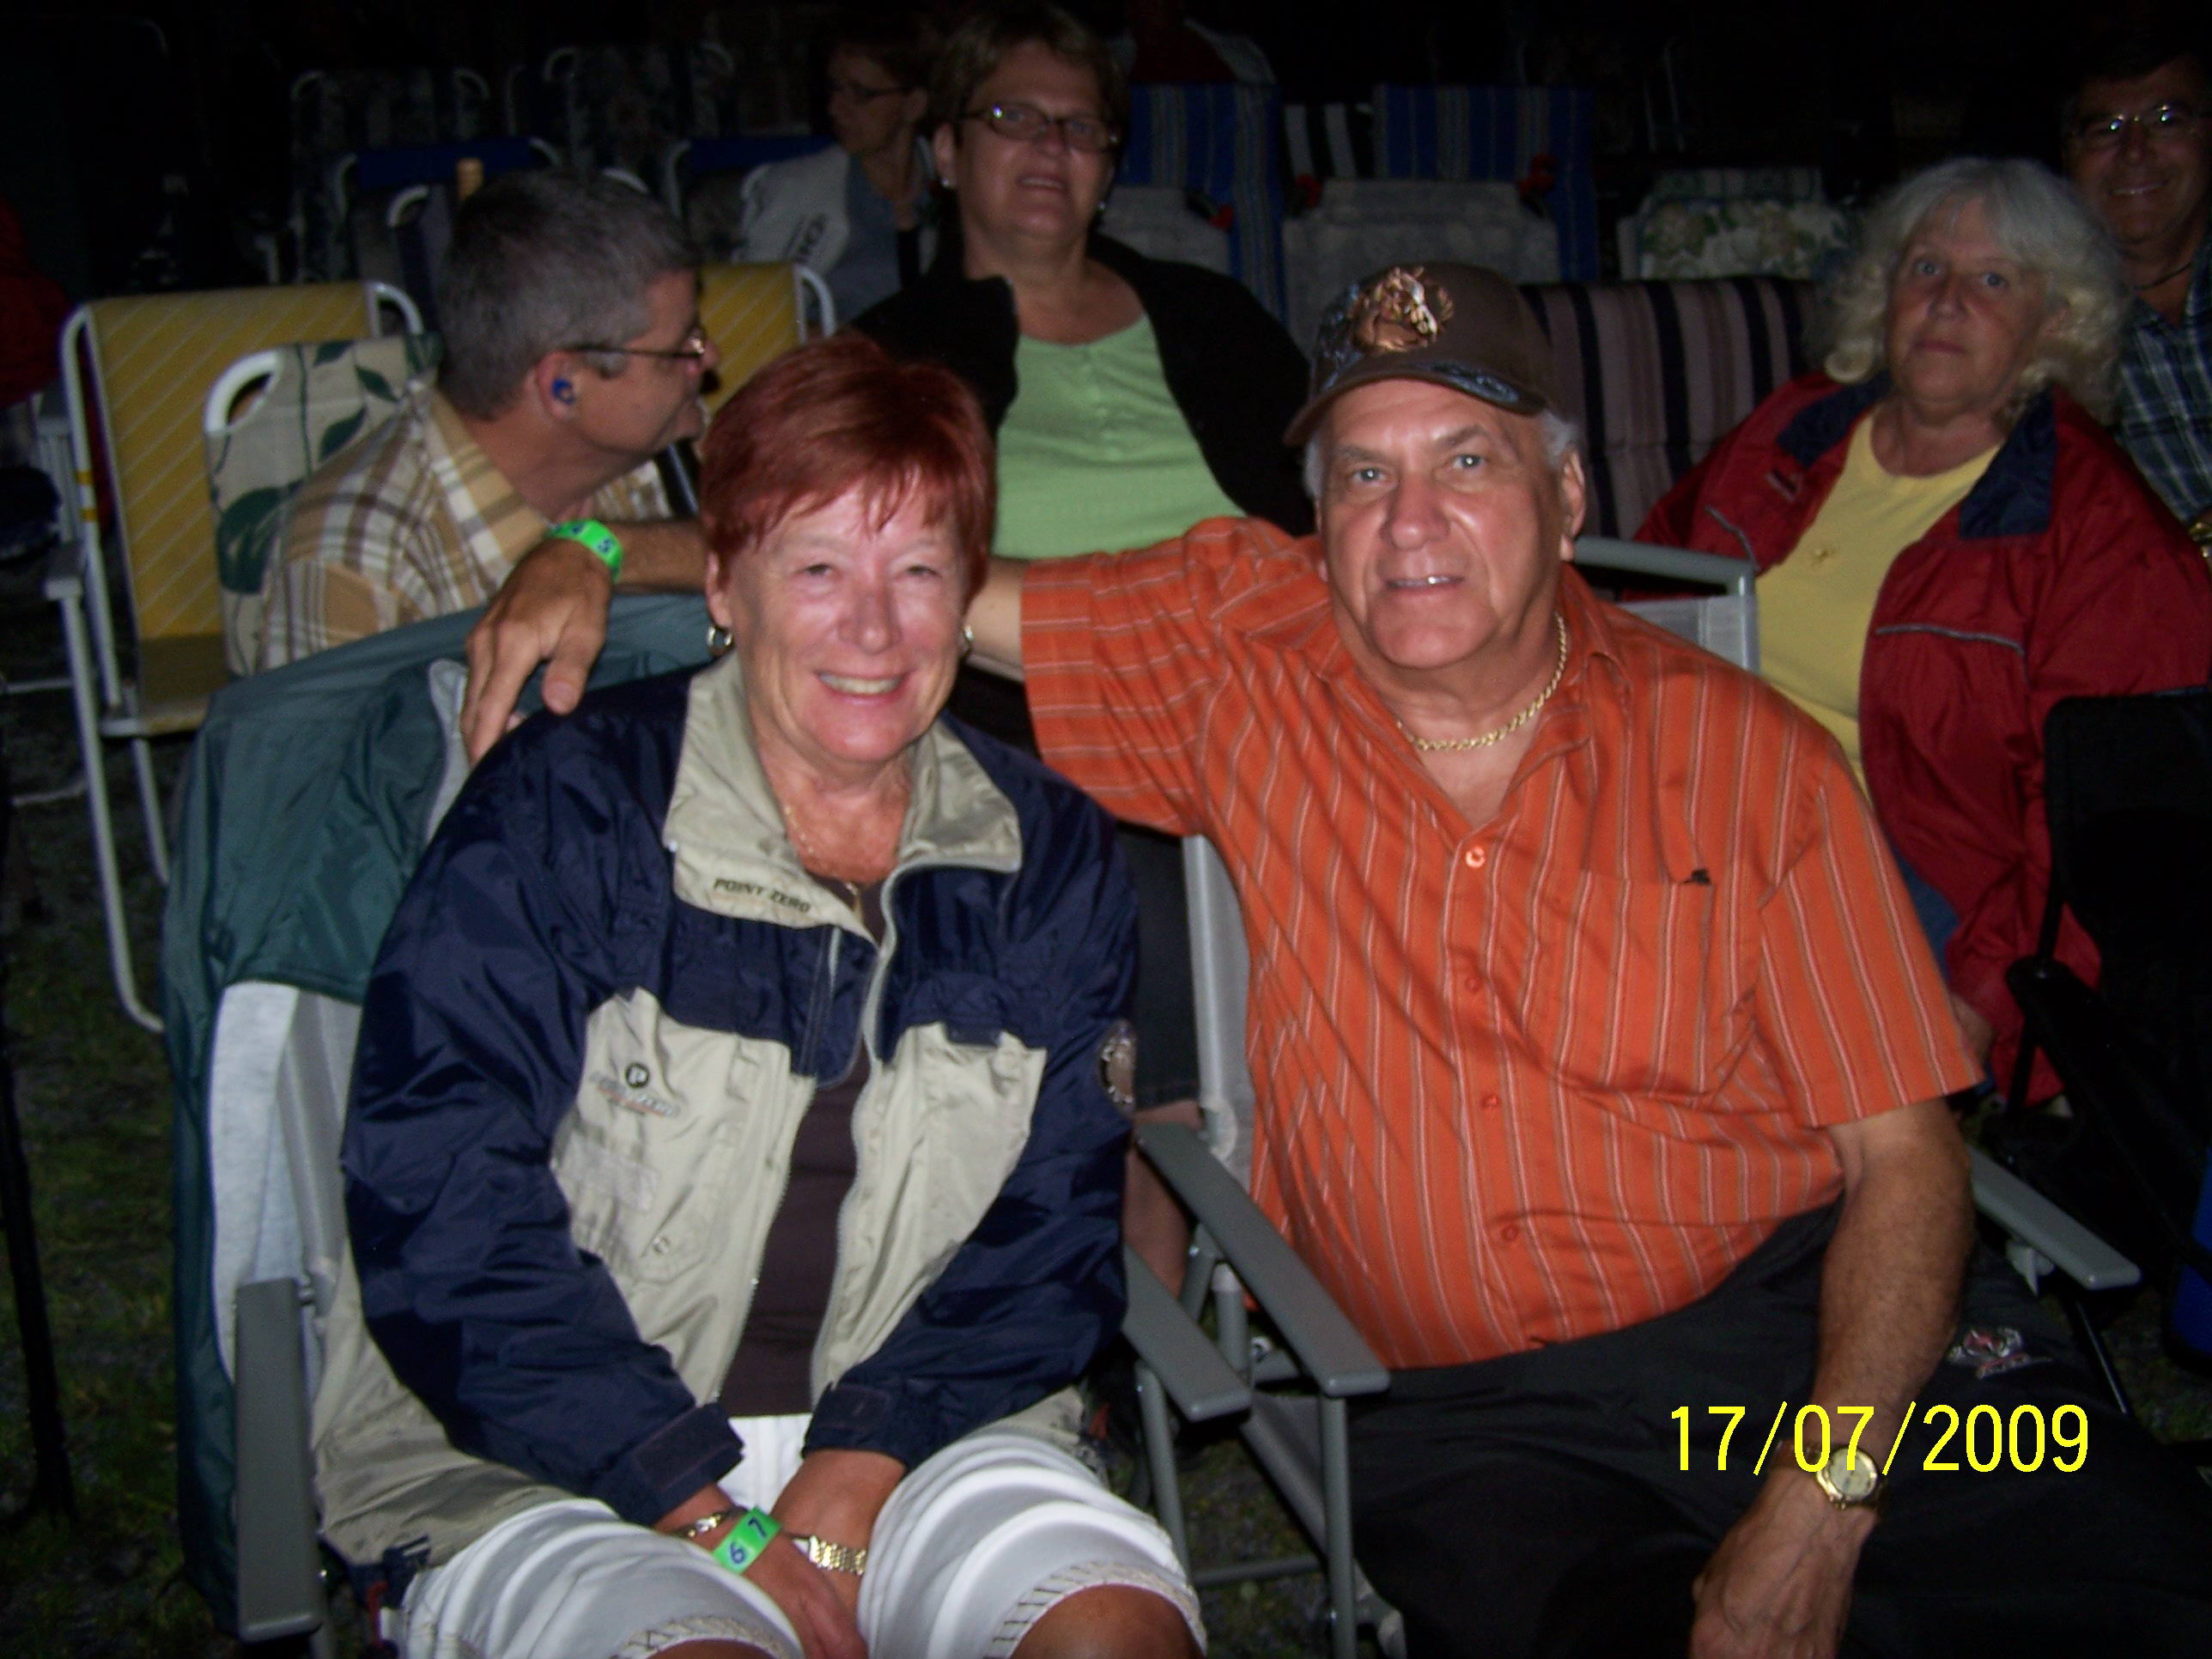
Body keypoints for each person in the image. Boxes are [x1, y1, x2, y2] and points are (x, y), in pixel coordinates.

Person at [464, 261, 2212, 1657]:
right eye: (1363, 473)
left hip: (1802, 1358)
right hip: (1482, 1429)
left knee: (2135, 1562)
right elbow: (881, 571)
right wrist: (600, 543)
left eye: (1467, 460)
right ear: (1316, 514)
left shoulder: (1748, 757)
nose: (1409, 518)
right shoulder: (1244, 637)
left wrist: (1824, 1490)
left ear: (1567, 490)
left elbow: (1905, 1151)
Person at [311, 334, 1203, 1659]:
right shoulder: (570, 812)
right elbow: (441, 1194)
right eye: (818, 568)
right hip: (558, 1460)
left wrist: (858, 1468)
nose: (874, 629)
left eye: (919, 571)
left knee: (1113, 1639)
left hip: (924, 1431)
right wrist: (702, 1508)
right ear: (726, 585)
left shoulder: (1043, 854)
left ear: (969, 597)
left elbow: (1051, 1227)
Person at [1639, 156, 2211, 1097]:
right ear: (1883, 291)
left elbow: (2105, 844)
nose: (1948, 302)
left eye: (1994, 280)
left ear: (2055, 318)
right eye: (1926, 268)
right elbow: (1644, 587)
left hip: (1915, 867)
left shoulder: (2105, 541)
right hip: (1701, 810)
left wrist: (1982, 999)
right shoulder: (1797, 427)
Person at [256, 169, 717, 669]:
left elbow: (774, 552)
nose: (709, 357)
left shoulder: (665, 442)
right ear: (563, 385)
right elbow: (322, 724)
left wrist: (602, 550)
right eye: (682, 348)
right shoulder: (357, 563)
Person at [2062, 25, 2212, 530]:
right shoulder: (2044, 333)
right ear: (2069, 155)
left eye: (2166, 121)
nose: (2134, 151)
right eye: (2106, 129)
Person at [712, 12, 939, 323]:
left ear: (914, 105)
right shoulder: (799, 190)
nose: (835, 108)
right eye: (834, 88)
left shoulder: (951, 187)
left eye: (860, 94)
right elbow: (753, 312)